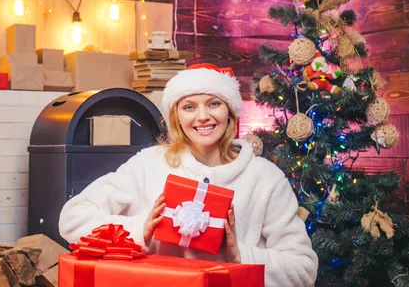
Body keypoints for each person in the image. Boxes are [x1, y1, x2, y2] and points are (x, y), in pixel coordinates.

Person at [59, 63, 318, 286]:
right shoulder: (149, 165)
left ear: (230, 112)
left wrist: (240, 256)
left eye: (214, 104)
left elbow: (303, 270)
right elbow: (72, 219)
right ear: (176, 117)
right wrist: (139, 230)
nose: (203, 117)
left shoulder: (264, 178)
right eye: (189, 107)